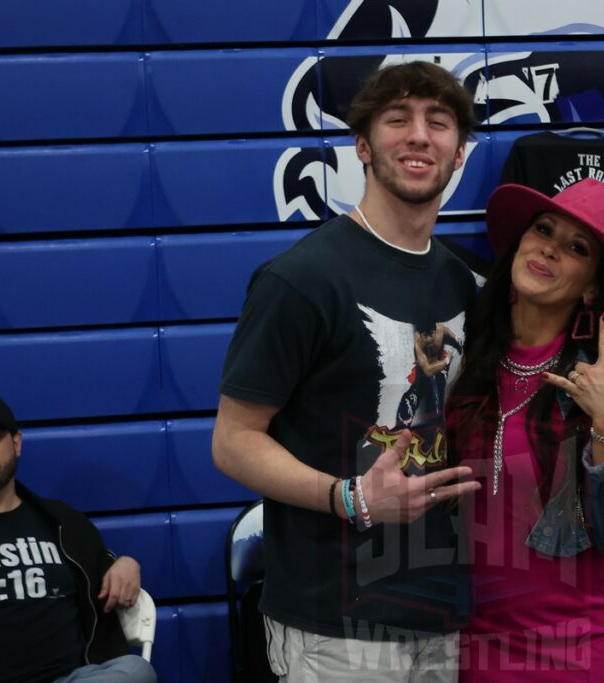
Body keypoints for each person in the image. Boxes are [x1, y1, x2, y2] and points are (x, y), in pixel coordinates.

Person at [212, 61, 482, 682]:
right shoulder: (301, 279)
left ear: (460, 152)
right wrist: (349, 497)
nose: (419, 136)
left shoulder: (462, 282)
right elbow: (233, 442)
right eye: (397, 120)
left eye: (438, 123)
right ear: (362, 146)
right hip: (332, 625)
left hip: (442, 611)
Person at [446, 179, 604, 680]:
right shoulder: (466, 357)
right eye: (543, 229)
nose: (548, 246)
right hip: (473, 645)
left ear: (592, 285)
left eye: (576, 247)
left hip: (583, 648)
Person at [0, 391, 156, 683]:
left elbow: (105, 566)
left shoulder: (62, 521)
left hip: (71, 679)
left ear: (16, 444)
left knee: (137, 671)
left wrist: (127, 562)